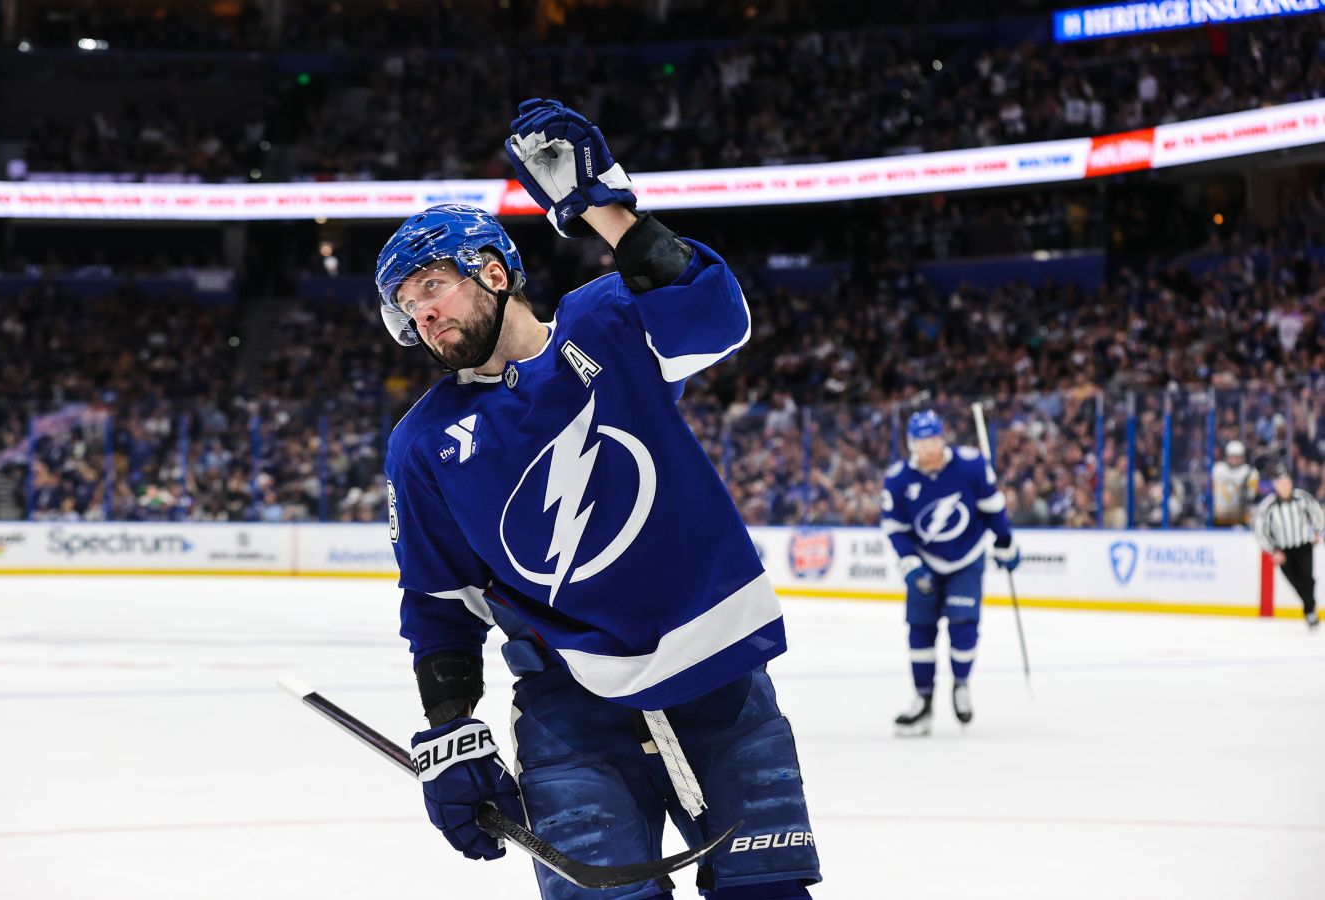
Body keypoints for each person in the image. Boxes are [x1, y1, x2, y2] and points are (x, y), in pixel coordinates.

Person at [377, 99, 820, 899]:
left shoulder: (604, 320)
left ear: (494, 272)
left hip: (719, 679)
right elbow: (439, 604)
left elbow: (717, 318)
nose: (424, 313)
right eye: (409, 305)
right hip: (569, 711)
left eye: (433, 285)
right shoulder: (423, 445)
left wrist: (606, 212)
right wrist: (452, 728)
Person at [880, 410, 1020, 735]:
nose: (928, 447)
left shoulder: (971, 465)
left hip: (966, 558)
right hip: (924, 560)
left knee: (963, 624)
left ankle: (961, 684)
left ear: (943, 438)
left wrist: (1005, 541)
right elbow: (895, 528)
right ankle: (923, 700)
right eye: (921, 441)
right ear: (911, 444)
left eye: (933, 439)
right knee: (919, 630)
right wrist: (910, 563)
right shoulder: (898, 479)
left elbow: (992, 507)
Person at [1253, 463, 1322, 630]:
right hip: (1283, 551)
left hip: (1303, 546)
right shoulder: (1268, 505)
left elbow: (1317, 513)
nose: (1285, 486)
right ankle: (1311, 607)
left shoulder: (1302, 498)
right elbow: (1260, 531)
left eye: (1287, 482)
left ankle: (1310, 613)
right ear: (1276, 484)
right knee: (1297, 583)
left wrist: (1318, 532)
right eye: (1281, 483)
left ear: (1291, 483)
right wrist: (1273, 550)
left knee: (1307, 579)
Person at [1212, 440, 1259, 527]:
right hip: (1219, 517)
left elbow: (1251, 495)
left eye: (1237, 457)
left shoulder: (1249, 472)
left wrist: (1244, 493)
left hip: (1240, 518)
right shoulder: (1218, 469)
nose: (1234, 460)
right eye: (1232, 456)